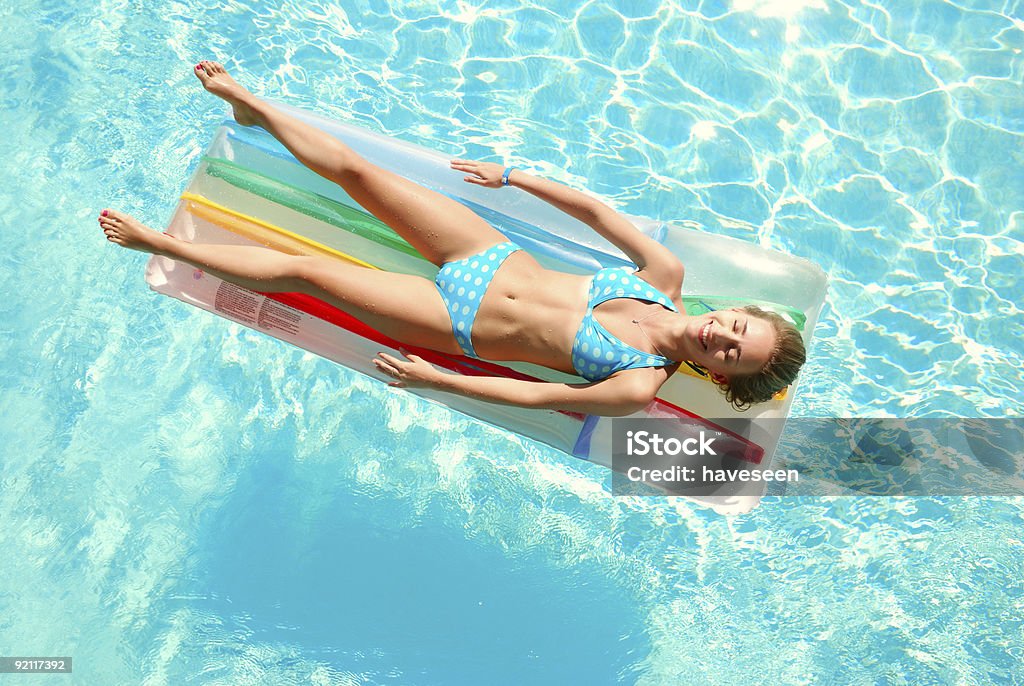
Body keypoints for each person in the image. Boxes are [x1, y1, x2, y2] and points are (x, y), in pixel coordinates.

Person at [99, 61, 805, 416]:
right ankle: (250, 105)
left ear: (721, 376)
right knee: (357, 171)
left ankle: (165, 245)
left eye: (734, 354)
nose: (724, 335)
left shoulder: (636, 385)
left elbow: (535, 398)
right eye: (739, 324)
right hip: (485, 253)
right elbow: (596, 214)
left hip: (455, 323)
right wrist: (514, 177)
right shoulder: (664, 275)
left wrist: (441, 380)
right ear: (733, 307)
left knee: (305, 272)